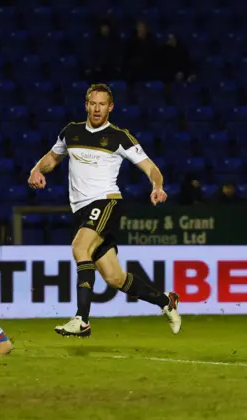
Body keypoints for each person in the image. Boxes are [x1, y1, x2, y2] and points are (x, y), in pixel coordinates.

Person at [27, 83, 181, 337]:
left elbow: (151, 168)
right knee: (114, 277)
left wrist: (157, 186)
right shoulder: (71, 132)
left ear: (111, 107)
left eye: (102, 104)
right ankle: (166, 301)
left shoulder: (120, 137)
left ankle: (81, 319)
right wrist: (36, 170)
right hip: (82, 210)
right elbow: (53, 158)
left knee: (79, 247)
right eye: (93, 103)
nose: (97, 109)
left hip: (106, 202)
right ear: (86, 105)